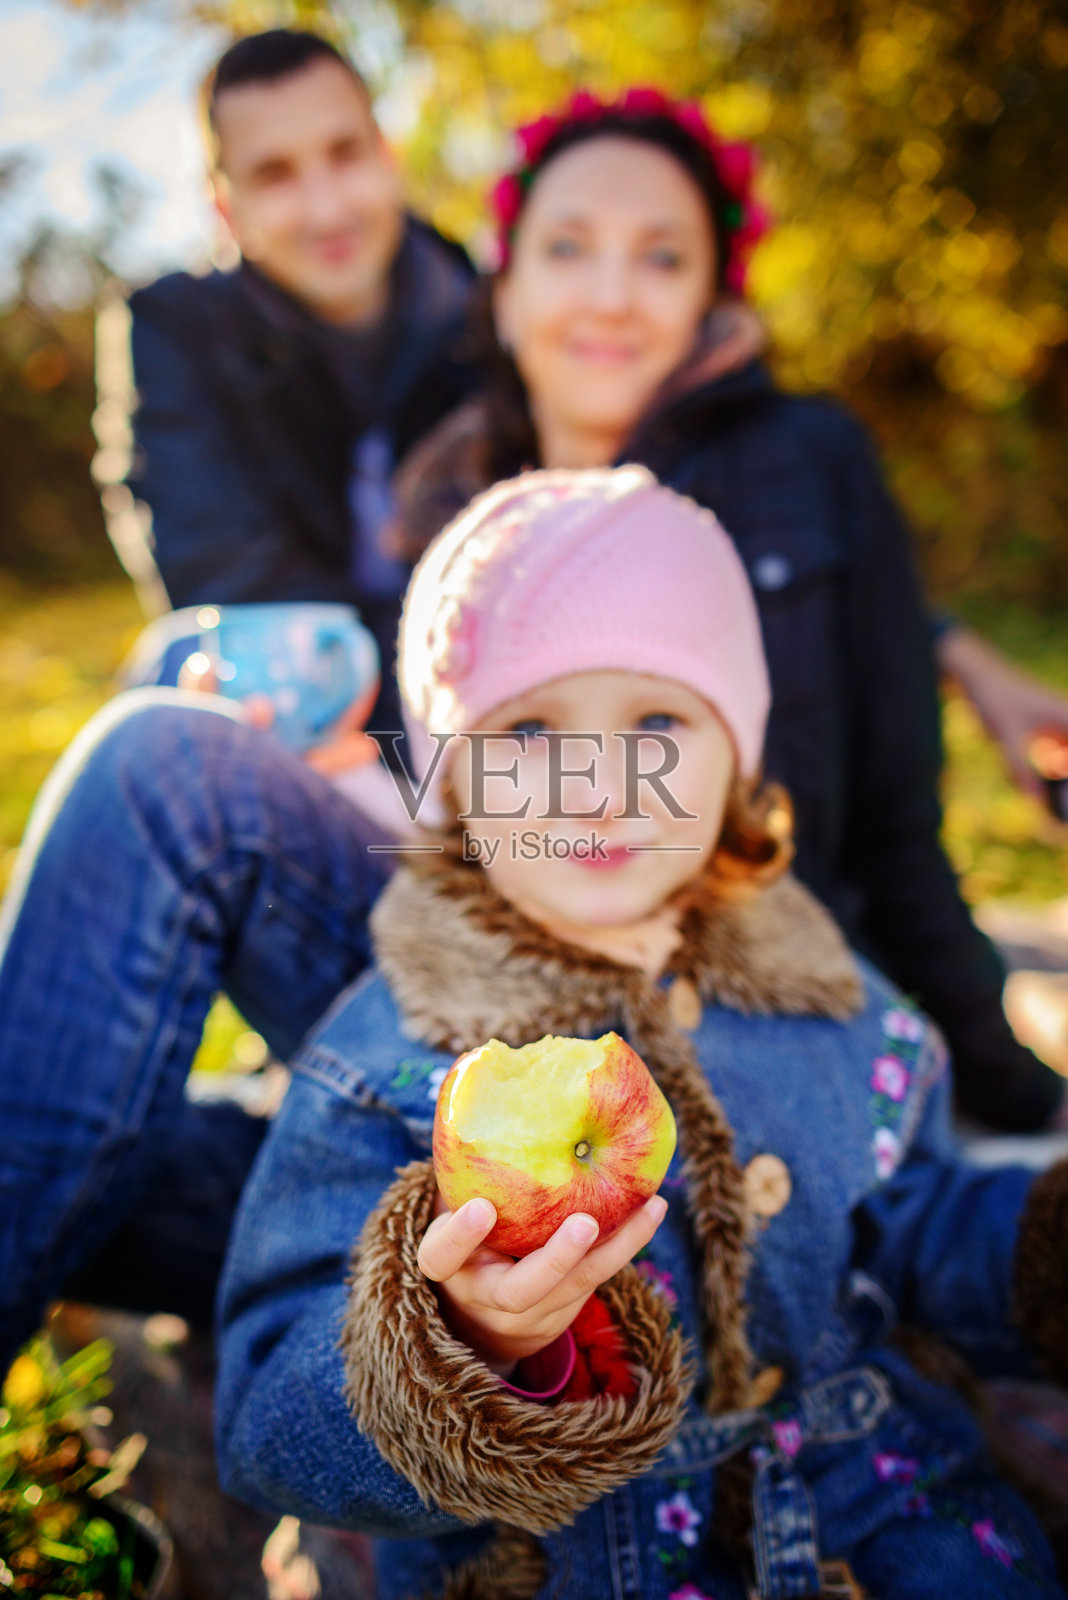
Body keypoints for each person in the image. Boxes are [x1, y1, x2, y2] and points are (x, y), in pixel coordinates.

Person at [214, 467, 1068, 1600]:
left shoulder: (827, 991)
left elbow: (905, 1224)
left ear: (736, 758)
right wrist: (467, 1341)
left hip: (878, 1499)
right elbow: (267, 1421)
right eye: (529, 731)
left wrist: (1038, 1251)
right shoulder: (392, 1055)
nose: (600, 789)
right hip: (578, 1555)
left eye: (657, 722)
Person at [387, 85, 1067, 1133]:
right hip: (506, 1040)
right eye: (568, 247)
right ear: (507, 290)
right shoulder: (445, 508)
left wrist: (1010, 1096)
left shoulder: (808, 461)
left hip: (771, 1028)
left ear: (712, 294)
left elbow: (895, 827)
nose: (612, 295)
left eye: (662, 257)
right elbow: (428, 817)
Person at [96, 27, 477, 739]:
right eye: (275, 175)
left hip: (501, 722)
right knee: (153, 717)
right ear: (225, 208)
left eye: (344, 153)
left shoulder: (500, 316)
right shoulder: (175, 332)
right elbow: (238, 590)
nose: (326, 209)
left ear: (387, 156)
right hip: (299, 720)